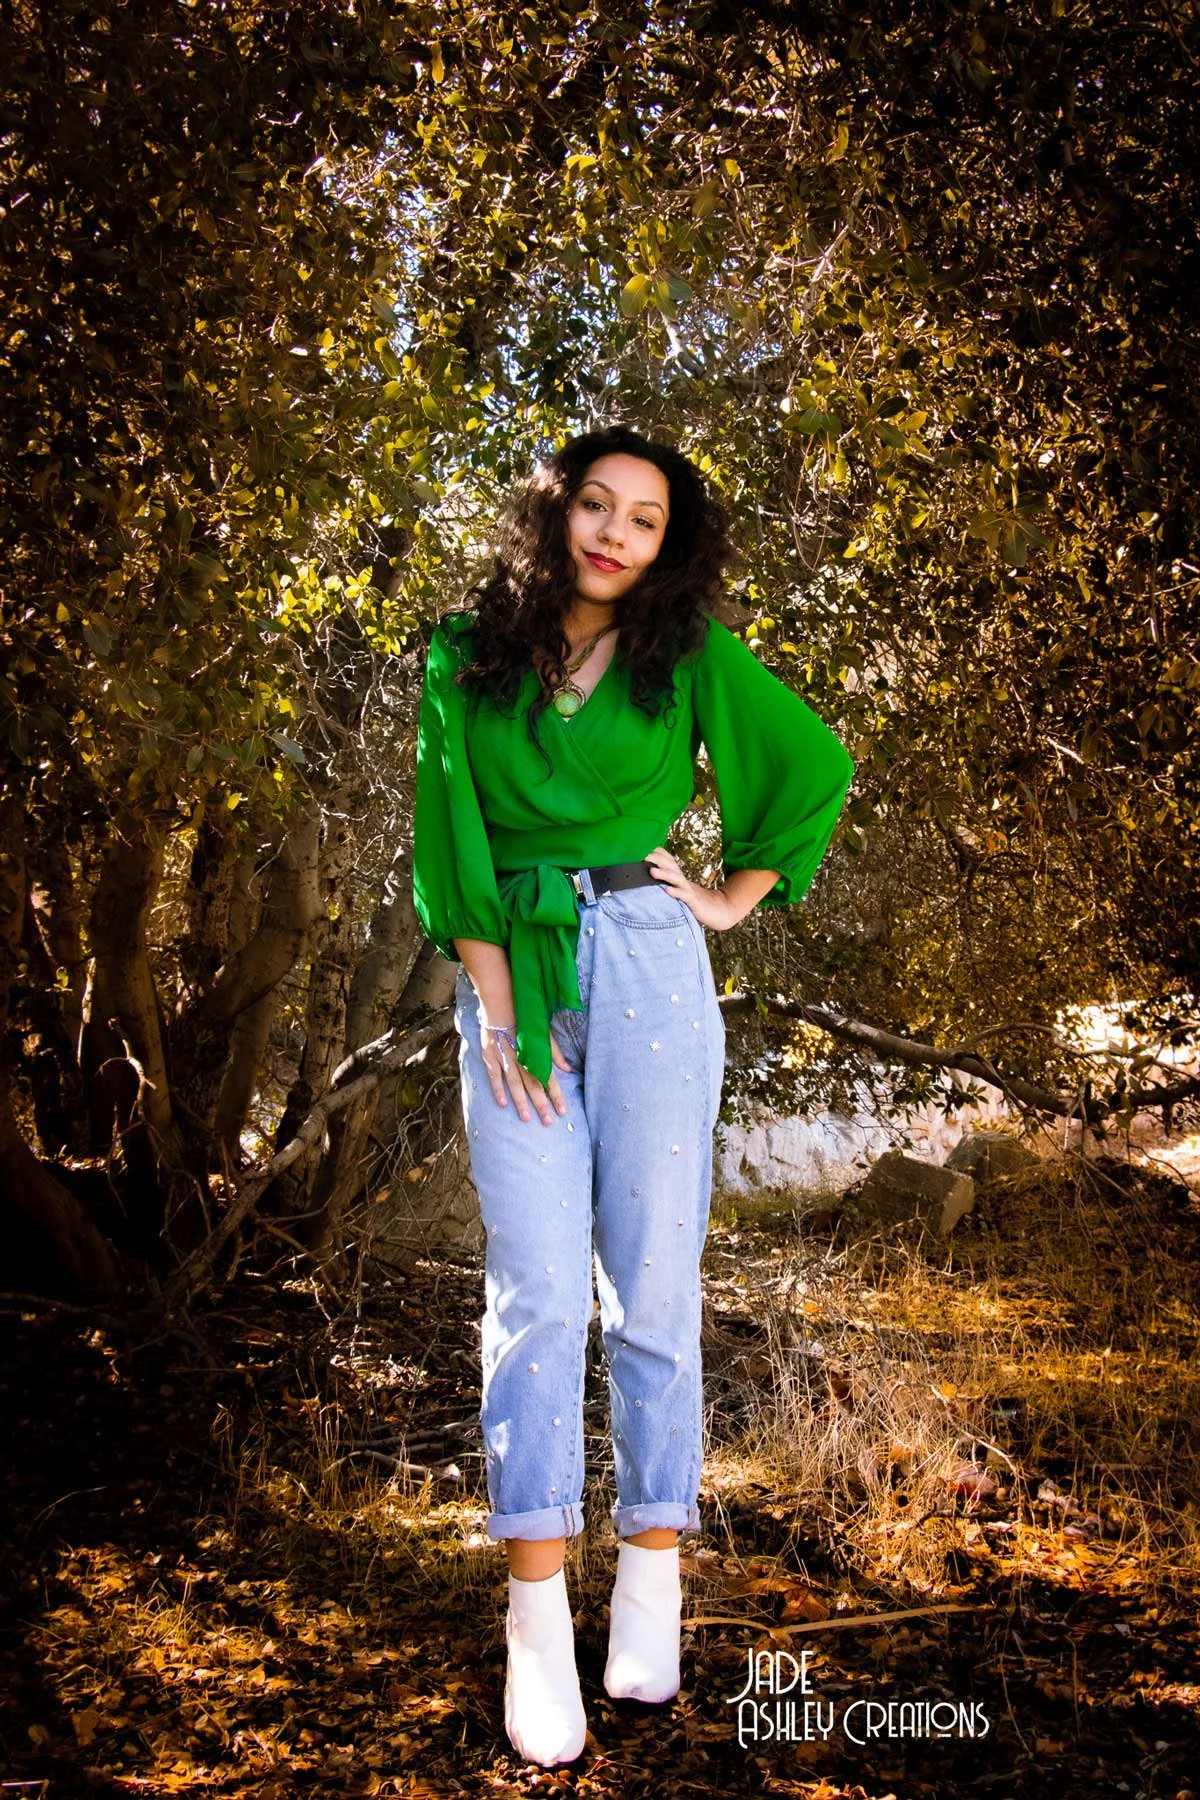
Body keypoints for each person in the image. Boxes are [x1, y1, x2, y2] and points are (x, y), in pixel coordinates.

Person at [412, 424, 854, 1765]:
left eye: (644, 519)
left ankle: (653, 1574)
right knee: (536, 1289)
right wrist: (496, 1007)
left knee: (651, 1285)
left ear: (668, 545)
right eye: (595, 505)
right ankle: (535, 1613)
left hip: (657, 973)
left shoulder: (689, 659)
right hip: (520, 984)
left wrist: (728, 897)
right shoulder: (461, 654)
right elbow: (451, 836)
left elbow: (811, 765)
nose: (613, 533)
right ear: (556, 514)